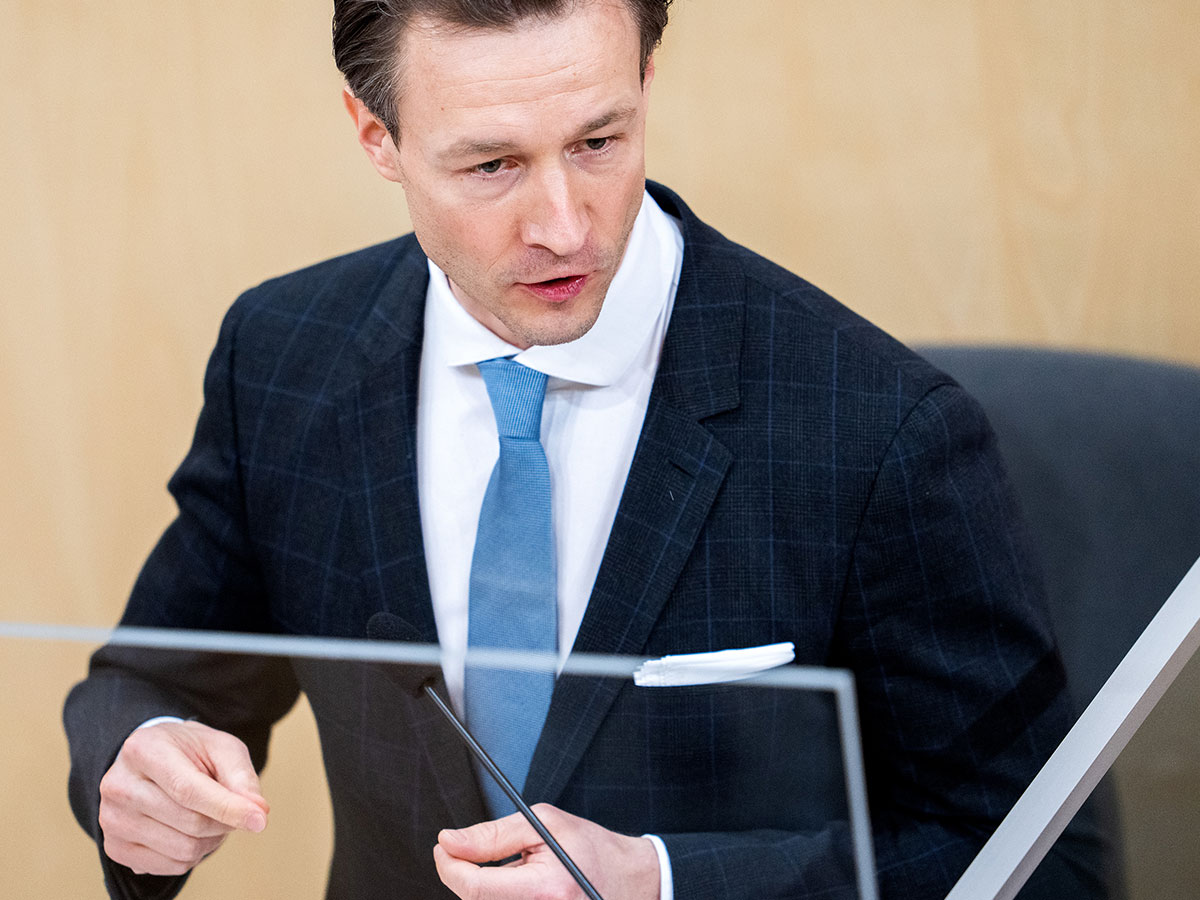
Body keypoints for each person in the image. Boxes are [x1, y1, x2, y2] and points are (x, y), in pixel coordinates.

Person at [64, 1, 1102, 898]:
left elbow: (1044, 856)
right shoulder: (282, 357)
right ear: (376, 136)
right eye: (493, 164)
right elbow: (160, 680)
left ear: (646, 80)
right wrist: (143, 757)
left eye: (599, 141)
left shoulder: (881, 427)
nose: (564, 228)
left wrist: (663, 881)